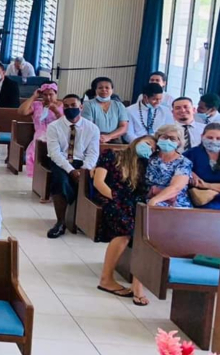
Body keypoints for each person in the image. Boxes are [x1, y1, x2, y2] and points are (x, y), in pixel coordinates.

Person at [93, 136, 154, 306]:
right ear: (137, 141)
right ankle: (106, 278)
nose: (148, 147)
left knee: (145, 229)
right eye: (147, 143)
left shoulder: (146, 164)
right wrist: (115, 197)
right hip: (110, 198)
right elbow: (99, 182)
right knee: (126, 230)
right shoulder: (112, 155)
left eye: (152, 147)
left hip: (134, 203)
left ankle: (138, 283)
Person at [45, 95, 101, 238]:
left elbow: (93, 154)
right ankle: (61, 222)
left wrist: (84, 170)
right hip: (62, 161)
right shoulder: (54, 127)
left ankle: (86, 221)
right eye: (67, 106)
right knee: (60, 180)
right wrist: (71, 171)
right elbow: (54, 153)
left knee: (91, 183)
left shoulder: (92, 128)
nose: (70, 109)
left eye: (73, 105)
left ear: (81, 107)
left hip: (82, 163)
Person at [19, 82, 64, 177]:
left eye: (51, 94)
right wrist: (34, 97)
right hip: (40, 135)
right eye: (45, 94)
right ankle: (38, 174)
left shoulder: (62, 106)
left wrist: (55, 111)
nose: (48, 97)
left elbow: (65, 123)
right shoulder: (37, 105)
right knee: (37, 144)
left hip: (57, 135)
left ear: (56, 94)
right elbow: (22, 112)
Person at [146, 125, 193, 208]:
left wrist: (154, 200)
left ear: (179, 142)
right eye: (165, 137)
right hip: (146, 199)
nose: (168, 140)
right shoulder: (150, 158)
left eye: (172, 139)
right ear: (158, 138)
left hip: (175, 204)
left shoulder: (183, 162)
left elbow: (175, 188)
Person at [82, 77, 129, 144]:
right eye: (100, 88)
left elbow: (124, 126)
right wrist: (100, 138)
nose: (104, 90)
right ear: (95, 90)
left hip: (115, 139)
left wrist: (109, 137)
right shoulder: (88, 104)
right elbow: (88, 126)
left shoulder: (119, 105)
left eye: (107, 87)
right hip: (94, 138)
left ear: (112, 90)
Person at [185, 123, 220, 209]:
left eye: (218, 138)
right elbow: (179, 169)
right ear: (202, 136)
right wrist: (189, 172)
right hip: (198, 199)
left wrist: (206, 185)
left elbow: (202, 184)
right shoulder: (190, 154)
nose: (214, 141)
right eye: (210, 138)